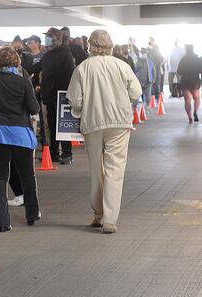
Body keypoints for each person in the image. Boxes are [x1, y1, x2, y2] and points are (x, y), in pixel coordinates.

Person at [67, 29, 142, 234]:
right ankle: (110, 219)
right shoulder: (122, 65)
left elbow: (75, 99)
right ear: (110, 45)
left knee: (96, 170)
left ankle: (98, 215)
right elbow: (136, 92)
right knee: (115, 170)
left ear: (90, 45)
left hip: (92, 123)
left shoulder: (83, 68)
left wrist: (79, 111)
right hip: (119, 123)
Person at [0, 47, 41, 232]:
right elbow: (33, 107)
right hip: (20, 133)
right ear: (17, 61)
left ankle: (3, 222)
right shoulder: (23, 82)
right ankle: (31, 214)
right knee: (28, 176)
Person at [32, 27, 76, 165]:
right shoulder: (48, 54)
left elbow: (69, 76)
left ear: (57, 39)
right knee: (51, 125)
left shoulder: (65, 54)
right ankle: (53, 153)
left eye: (49, 37)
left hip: (61, 95)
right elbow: (36, 68)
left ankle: (67, 154)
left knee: (63, 125)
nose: (47, 39)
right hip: (49, 95)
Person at [177, 45, 202, 123]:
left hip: (185, 81)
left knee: (187, 99)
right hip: (195, 81)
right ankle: (195, 112)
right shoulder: (197, 59)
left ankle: (190, 118)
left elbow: (179, 72)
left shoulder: (183, 60)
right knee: (197, 98)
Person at [135, 48, 156, 112]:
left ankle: (146, 109)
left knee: (148, 97)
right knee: (136, 97)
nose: (143, 54)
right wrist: (140, 62)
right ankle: (134, 110)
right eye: (142, 53)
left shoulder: (149, 61)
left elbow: (153, 70)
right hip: (139, 83)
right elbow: (135, 69)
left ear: (146, 54)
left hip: (148, 82)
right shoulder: (138, 61)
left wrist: (153, 79)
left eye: (144, 53)